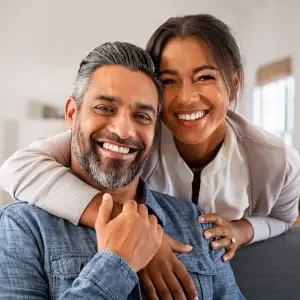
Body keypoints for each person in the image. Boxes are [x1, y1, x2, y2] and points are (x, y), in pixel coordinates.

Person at [0, 13, 299, 299]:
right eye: (105, 108)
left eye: (142, 115)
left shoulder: (200, 219)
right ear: (71, 114)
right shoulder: (23, 227)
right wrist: (121, 255)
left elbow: (283, 219)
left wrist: (241, 229)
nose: (123, 129)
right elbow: (17, 168)